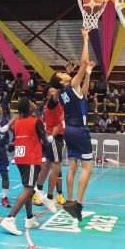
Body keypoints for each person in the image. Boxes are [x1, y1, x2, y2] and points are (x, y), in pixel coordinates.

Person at [48, 28, 96, 222]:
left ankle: (68, 200)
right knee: (87, 168)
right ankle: (78, 203)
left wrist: (88, 74)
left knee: (73, 166)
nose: (65, 72)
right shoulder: (69, 86)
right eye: (62, 73)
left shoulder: (63, 92)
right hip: (79, 131)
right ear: (62, 80)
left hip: (70, 131)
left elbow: (83, 91)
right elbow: (83, 62)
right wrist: (85, 38)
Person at [0, 97, 50, 235]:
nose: (33, 103)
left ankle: (29, 218)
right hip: (31, 159)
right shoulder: (36, 122)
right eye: (31, 103)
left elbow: (17, 140)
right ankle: (10, 218)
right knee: (29, 189)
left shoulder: (16, 124)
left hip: (20, 159)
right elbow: (45, 142)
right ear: (29, 108)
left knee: (27, 188)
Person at [33, 86, 67, 211]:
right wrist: (62, 81)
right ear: (48, 96)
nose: (55, 92)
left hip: (54, 137)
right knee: (57, 168)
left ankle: (37, 191)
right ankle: (50, 196)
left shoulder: (54, 104)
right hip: (54, 138)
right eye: (52, 91)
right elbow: (60, 90)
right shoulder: (51, 103)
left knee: (47, 166)